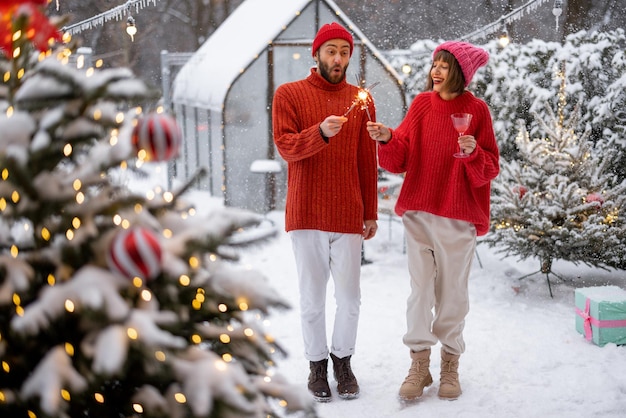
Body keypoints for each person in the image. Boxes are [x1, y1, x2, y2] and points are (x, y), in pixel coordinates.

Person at [366, 41, 499, 401]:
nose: (435, 71)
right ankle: (419, 364)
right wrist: (389, 137)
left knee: (452, 296)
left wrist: (473, 153)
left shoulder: (477, 110)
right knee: (420, 292)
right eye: (434, 64)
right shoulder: (422, 105)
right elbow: (400, 158)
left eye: (443, 65)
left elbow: (490, 169)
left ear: (460, 73)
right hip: (419, 212)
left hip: (458, 217)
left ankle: (450, 365)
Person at [272, 22, 378, 402]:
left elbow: (367, 160)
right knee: (313, 298)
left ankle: (342, 361)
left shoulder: (360, 100)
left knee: (350, 299)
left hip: (348, 212)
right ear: (316, 54)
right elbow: (286, 147)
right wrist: (320, 133)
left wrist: (371, 212)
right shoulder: (290, 94)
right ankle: (317, 366)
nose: (338, 58)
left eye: (344, 52)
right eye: (331, 51)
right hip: (306, 213)